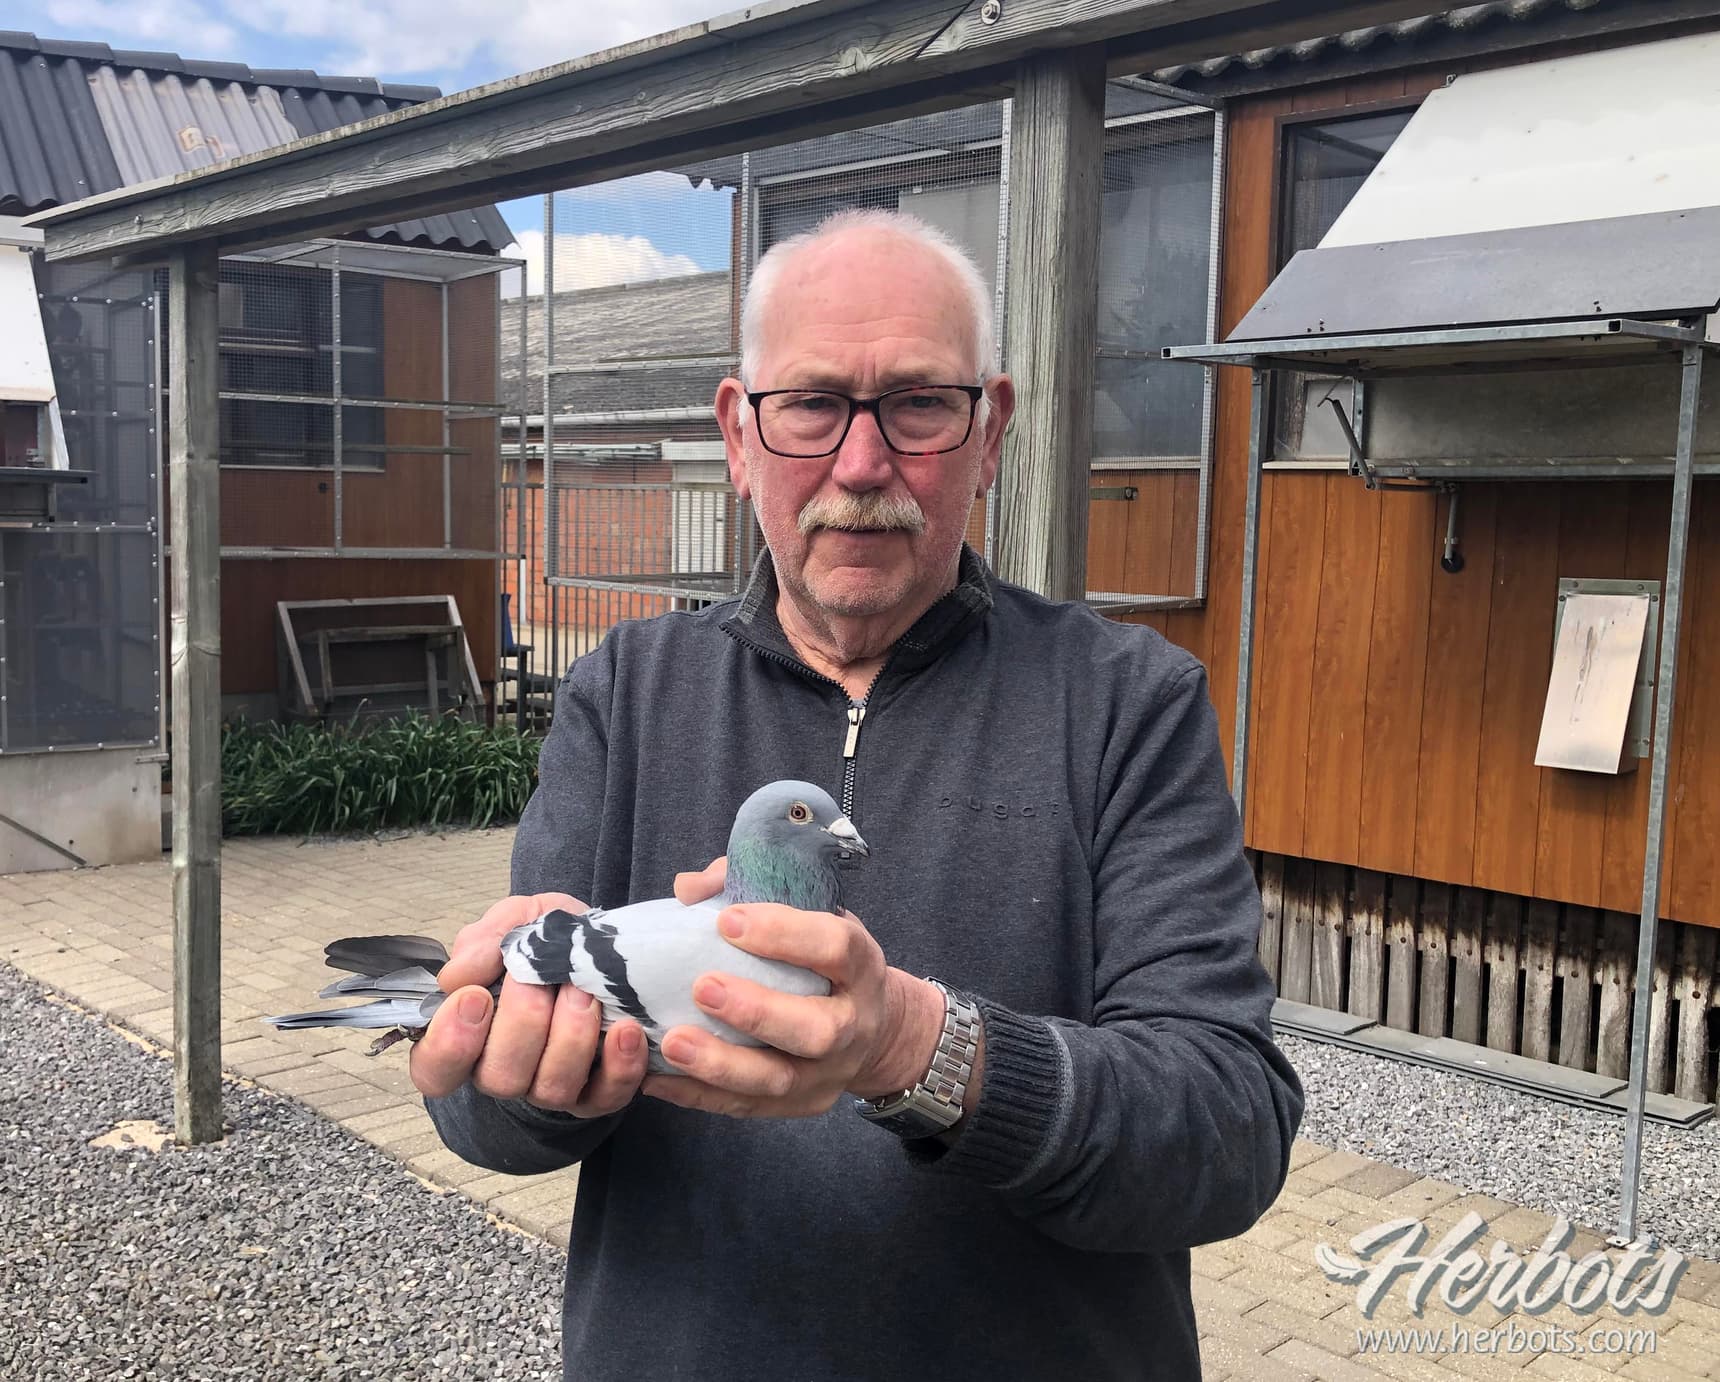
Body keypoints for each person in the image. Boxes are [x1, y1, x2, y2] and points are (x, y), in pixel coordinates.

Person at [412, 208, 1303, 1380]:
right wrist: (511, 1076)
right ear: (738, 434)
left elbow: (1227, 1132)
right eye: (811, 403)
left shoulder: (1128, 702)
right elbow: (490, 1115)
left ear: (991, 432)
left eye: (919, 404)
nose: (862, 462)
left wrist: (917, 1046)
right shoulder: (623, 692)